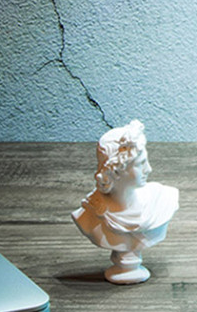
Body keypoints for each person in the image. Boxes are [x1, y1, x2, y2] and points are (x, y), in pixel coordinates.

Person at [72, 120, 179, 283]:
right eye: (140, 164)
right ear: (116, 170)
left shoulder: (162, 201)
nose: (149, 169)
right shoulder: (89, 214)